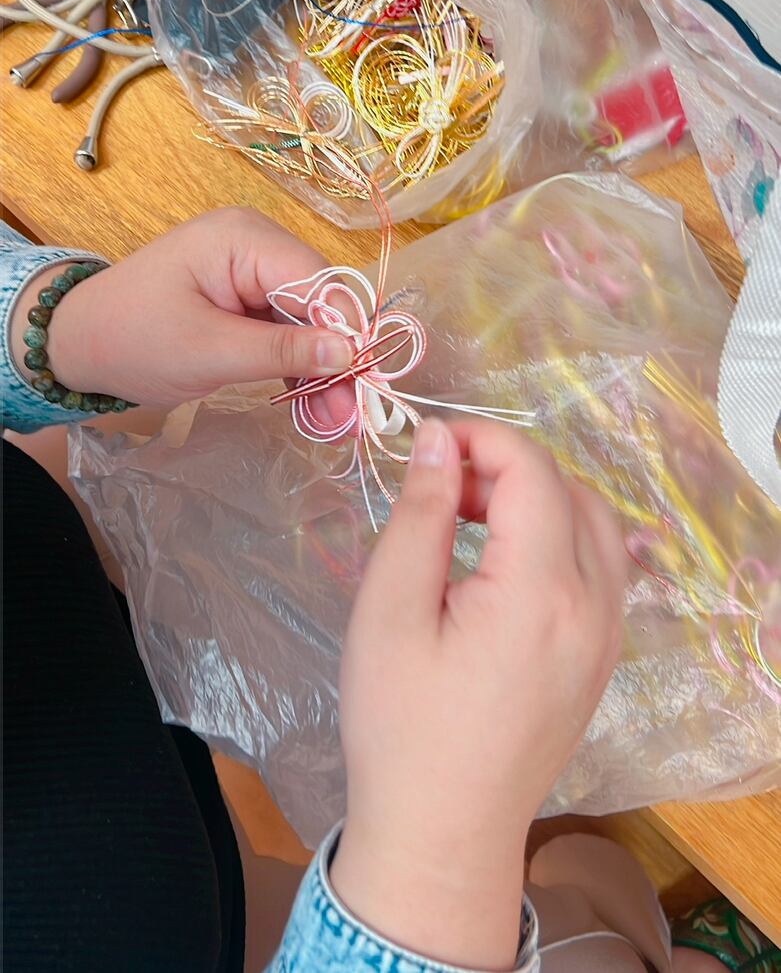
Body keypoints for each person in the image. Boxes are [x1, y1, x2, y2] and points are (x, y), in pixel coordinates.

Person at [2, 210, 777, 973]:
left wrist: (47, 333)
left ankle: (608, 924)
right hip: (181, 926)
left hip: (121, 740)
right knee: (587, 933)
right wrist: (432, 856)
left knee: (574, 881)